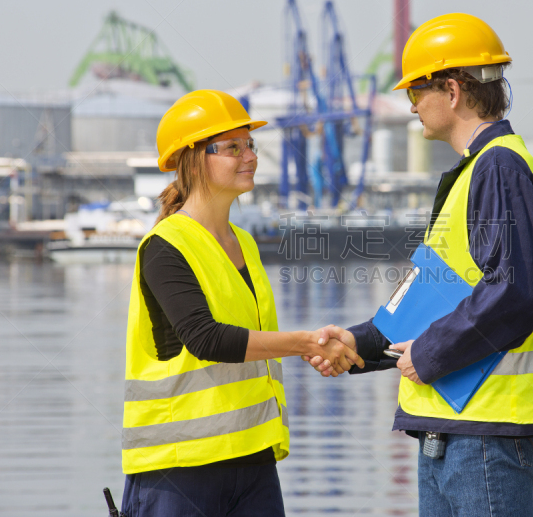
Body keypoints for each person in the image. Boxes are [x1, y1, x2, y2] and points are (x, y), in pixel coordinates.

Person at [306, 14, 533, 516]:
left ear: (453, 90)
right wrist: (360, 344)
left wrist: (433, 354)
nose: (412, 104)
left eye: (417, 89)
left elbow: (519, 289)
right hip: (451, 429)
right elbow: (428, 298)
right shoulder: (472, 173)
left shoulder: (498, 166)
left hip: (484, 434)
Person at [120, 89, 362, 516]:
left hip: (252, 461)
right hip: (180, 471)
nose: (249, 156)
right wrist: (306, 343)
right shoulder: (164, 247)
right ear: (193, 159)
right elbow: (205, 339)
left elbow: (254, 342)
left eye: (249, 144)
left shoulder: (245, 244)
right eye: (232, 147)